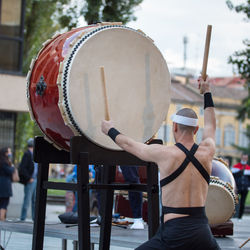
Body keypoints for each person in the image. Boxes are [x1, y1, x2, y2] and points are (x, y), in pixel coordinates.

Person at [101, 76, 220, 249]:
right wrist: (207, 91)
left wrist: (109, 130)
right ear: (195, 129)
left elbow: (128, 144)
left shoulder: (164, 153)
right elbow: (211, 126)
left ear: (174, 127)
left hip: (174, 233)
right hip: (202, 233)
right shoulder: (207, 151)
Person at [19, 138, 38, 221]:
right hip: (30, 180)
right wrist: (29, 178)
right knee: (27, 200)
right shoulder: (27, 154)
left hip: (35, 180)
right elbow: (22, 168)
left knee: (34, 200)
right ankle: (23, 218)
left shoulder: (35, 154)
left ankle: (34, 218)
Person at [231, 153, 250, 219]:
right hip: (237, 187)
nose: (244, 159)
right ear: (241, 158)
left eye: (245, 158)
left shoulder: (248, 167)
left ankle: (240, 217)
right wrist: (241, 171)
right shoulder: (235, 166)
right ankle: (232, 215)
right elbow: (233, 176)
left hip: (245, 188)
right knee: (234, 201)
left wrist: (248, 186)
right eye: (243, 158)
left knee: (243, 202)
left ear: (247, 159)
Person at [0, 147, 15, 220]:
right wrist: (12, 167)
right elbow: (10, 171)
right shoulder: (4, 162)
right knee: (4, 203)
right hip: (4, 185)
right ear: (5, 153)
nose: (10, 153)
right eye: (9, 152)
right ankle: (2, 218)